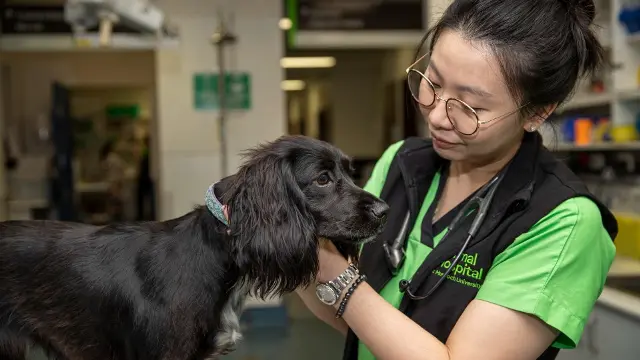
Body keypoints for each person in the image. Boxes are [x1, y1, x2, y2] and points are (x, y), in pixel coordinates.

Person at [295, 1, 618, 359]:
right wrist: (300, 255)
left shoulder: (563, 220)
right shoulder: (401, 162)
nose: (436, 116)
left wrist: (334, 271)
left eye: (470, 107)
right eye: (431, 83)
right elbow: (359, 321)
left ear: (538, 112)